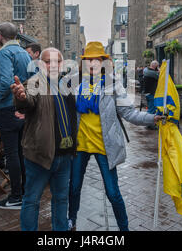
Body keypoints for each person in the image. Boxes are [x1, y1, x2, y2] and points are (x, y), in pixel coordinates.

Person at [67, 42, 162, 231]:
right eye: (88, 60)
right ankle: (72, 219)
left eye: (97, 59)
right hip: (80, 146)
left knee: (113, 193)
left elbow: (129, 113)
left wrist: (153, 117)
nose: (92, 63)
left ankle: (123, 228)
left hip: (105, 146)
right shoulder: (74, 83)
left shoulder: (113, 84)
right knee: (74, 187)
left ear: (104, 62)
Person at [11, 48, 77, 231]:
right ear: (41, 64)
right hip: (40, 155)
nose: (53, 65)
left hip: (64, 155)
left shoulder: (67, 84)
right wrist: (21, 97)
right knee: (32, 200)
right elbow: (27, 101)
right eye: (48, 61)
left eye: (57, 61)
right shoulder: (35, 82)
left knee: (61, 199)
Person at [0, 22, 31, 210]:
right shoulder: (24, 53)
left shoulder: (5, 53)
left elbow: (6, 81)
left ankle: (16, 196)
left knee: (12, 154)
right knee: (20, 152)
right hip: (22, 107)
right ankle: (24, 191)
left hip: (7, 108)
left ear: (0, 35)